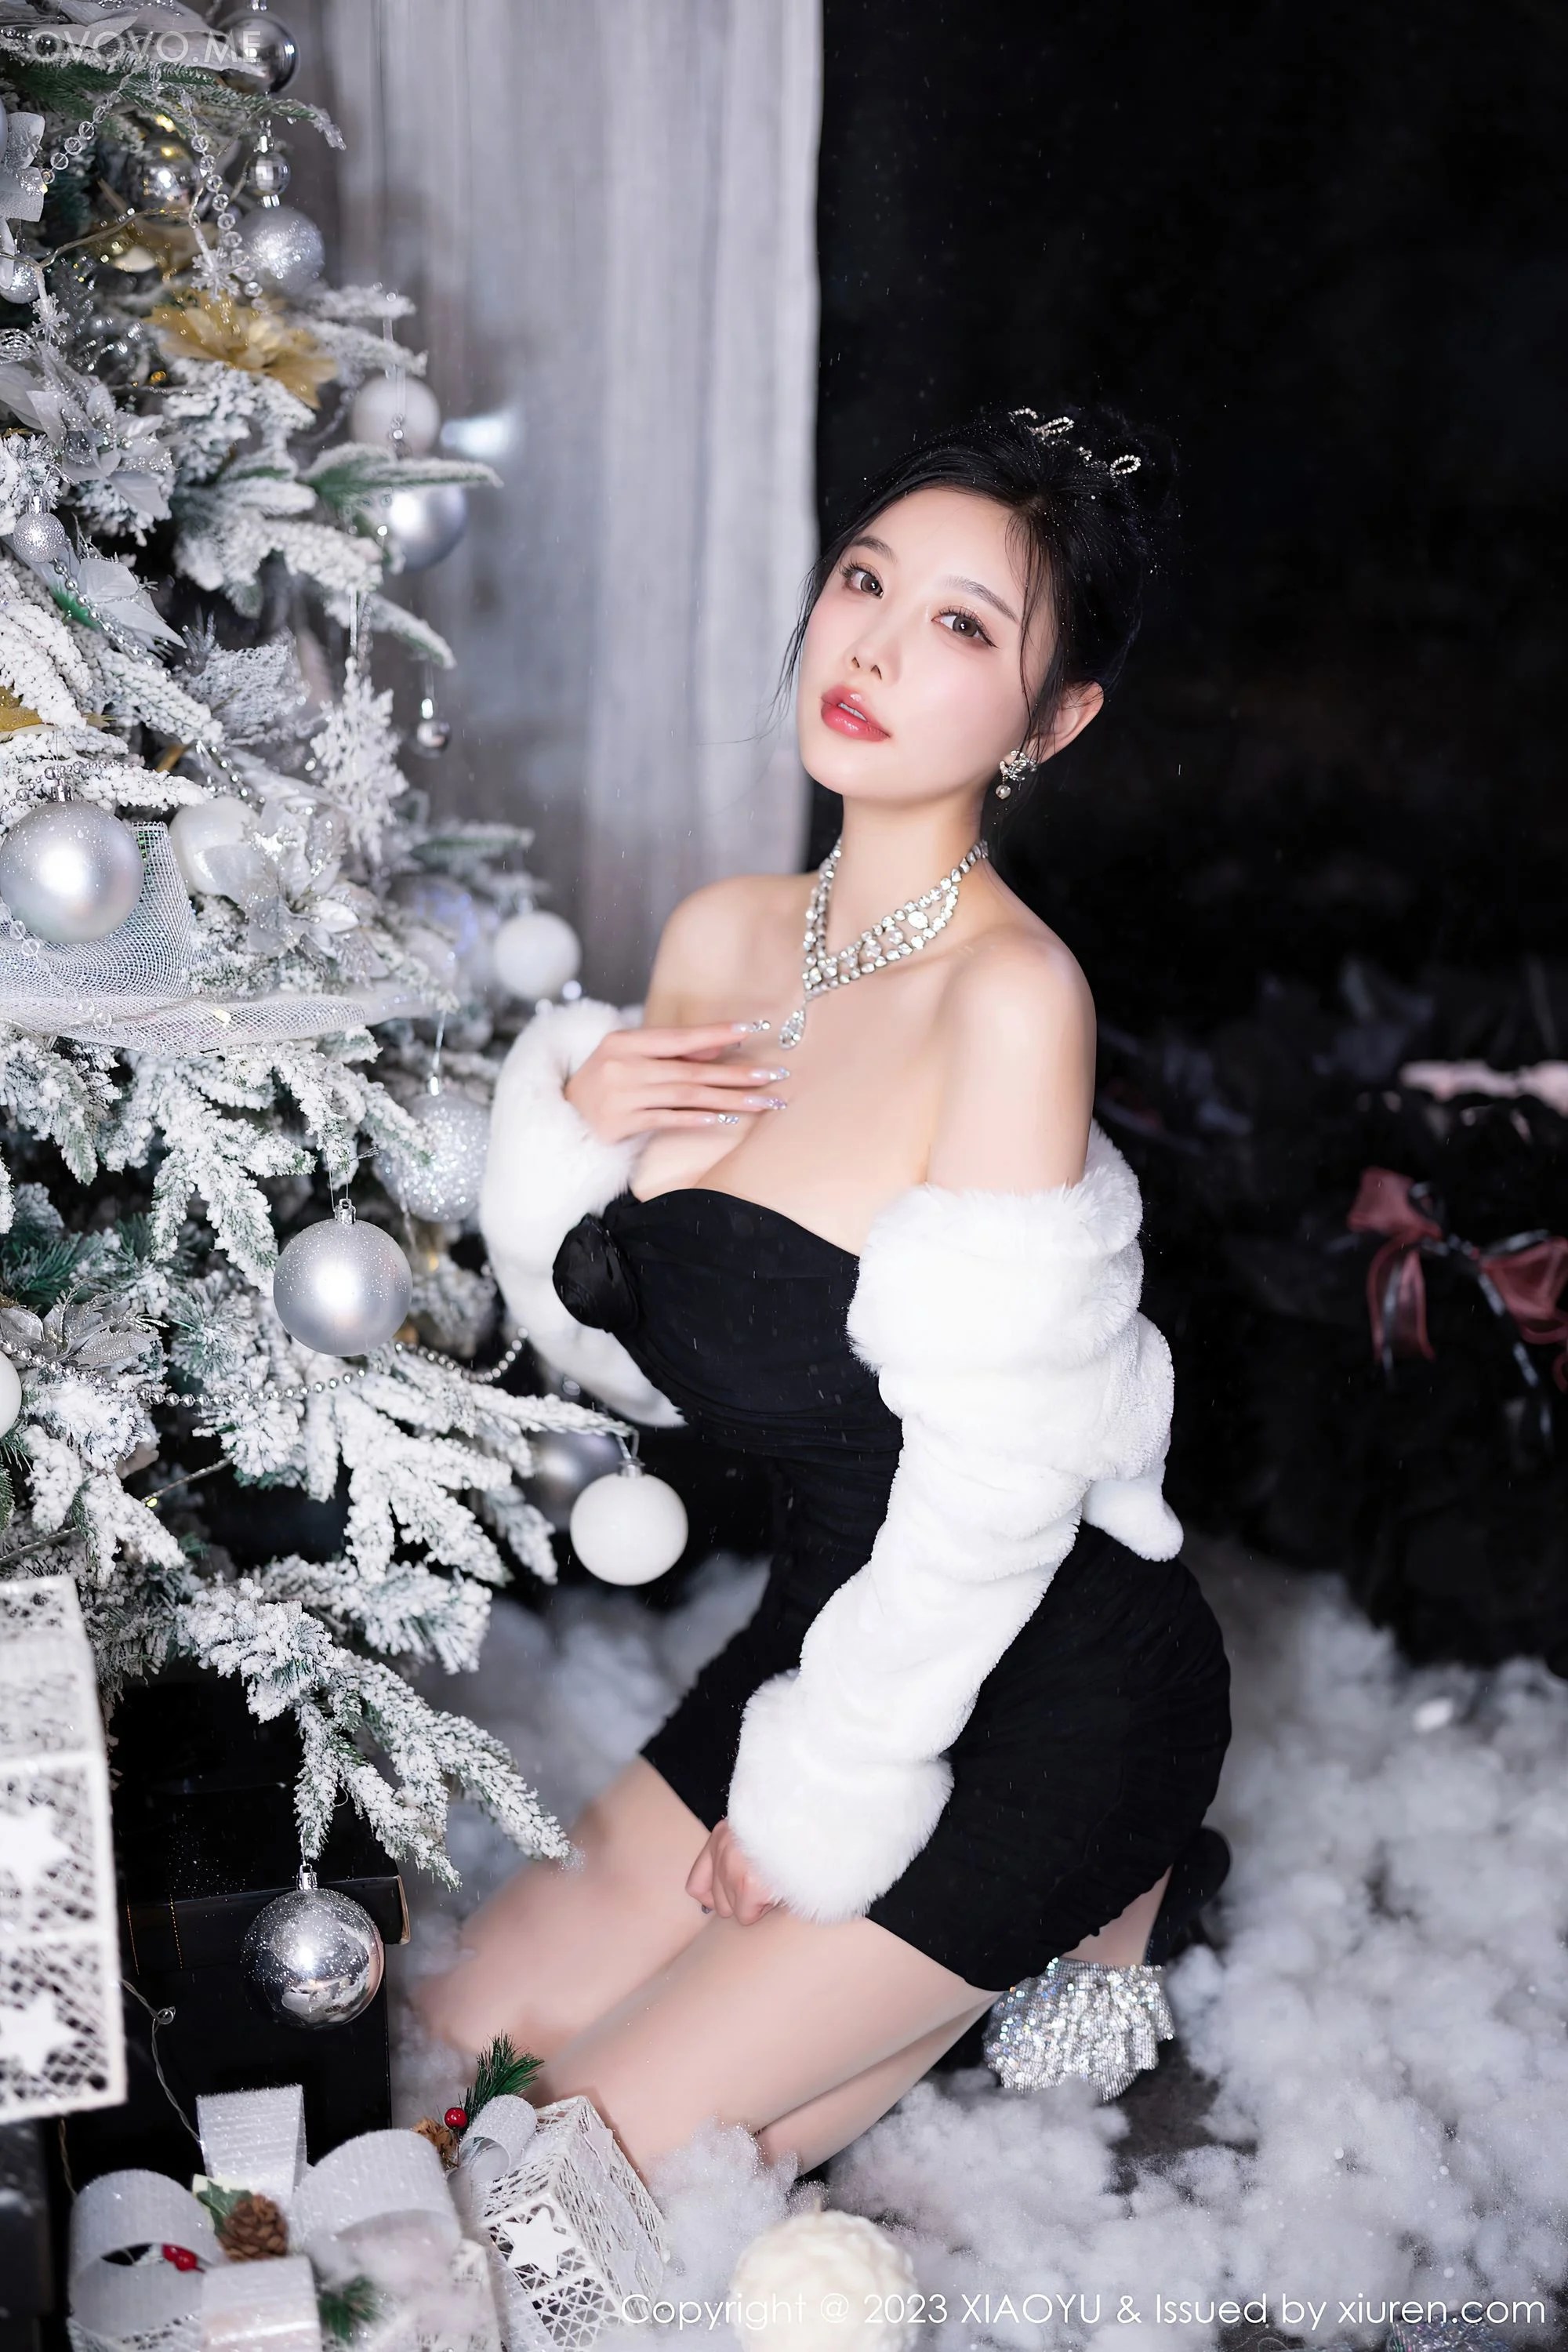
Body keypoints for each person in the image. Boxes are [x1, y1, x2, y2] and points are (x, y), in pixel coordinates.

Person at [419, 402, 1232, 2180]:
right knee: (451, 2049)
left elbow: (1001, 1483)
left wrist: (822, 1802)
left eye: (961, 625)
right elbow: (647, 1366)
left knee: (554, 2177)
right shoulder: (719, 935)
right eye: (864, 580)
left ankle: (1100, 1877)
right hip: (824, 1625)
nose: (868, 646)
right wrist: (564, 1133)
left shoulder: (1012, 1002)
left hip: (1037, 1679)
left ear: (1052, 721)